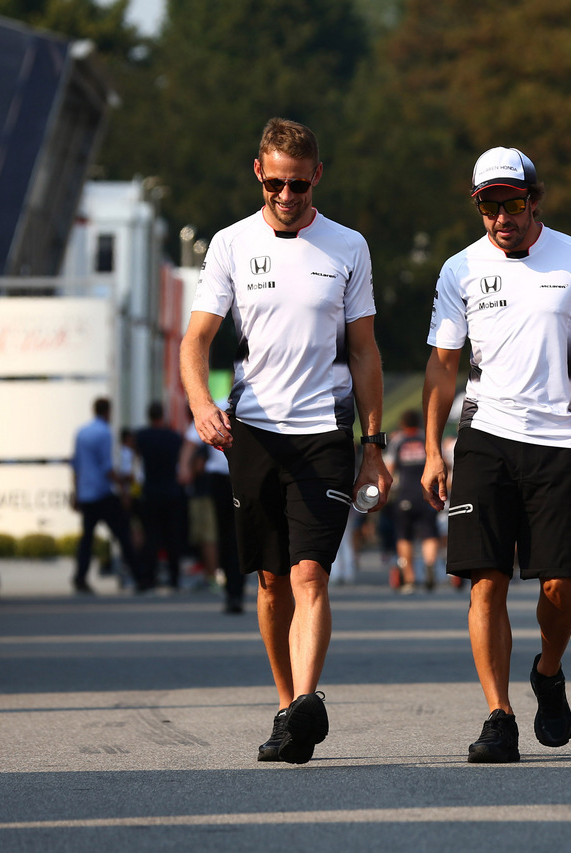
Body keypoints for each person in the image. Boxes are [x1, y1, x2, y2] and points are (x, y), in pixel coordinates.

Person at [180, 117, 391, 764]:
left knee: (309, 573)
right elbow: (195, 340)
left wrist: (374, 442)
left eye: (298, 185)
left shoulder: (348, 246)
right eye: (275, 184)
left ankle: (306, 701)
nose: (287, 196)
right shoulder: (231, 244)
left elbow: (364, 351)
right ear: (258, 174)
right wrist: (201, 404)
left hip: (324, 433)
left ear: (316, 177)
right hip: (255, 435)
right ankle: (287, 705)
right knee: (271, 581)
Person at [422, 146, 571, 764]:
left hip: (554, 438)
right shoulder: (459, 269)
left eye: (513, 202)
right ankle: (498, 714)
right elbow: (443, 365)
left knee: (561, 583)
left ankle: (548, 669)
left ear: (535, 200)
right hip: (485, 434)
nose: (502, 216)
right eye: (489, 205)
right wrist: (433, 448)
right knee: (486, 581)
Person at [71, 397, 146, 594]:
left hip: (87, 493)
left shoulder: (81, 432)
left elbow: (76, 465)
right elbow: (107, 467)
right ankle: (139, 577)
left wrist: (75, 492)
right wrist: (122, 487)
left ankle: (80, 578)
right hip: (103, 493)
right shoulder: (104, 433)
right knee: (123, 535)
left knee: (87, 539)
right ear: (107, 412)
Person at [180, 403, 244, 613]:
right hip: (224, 478)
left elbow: (190, 441)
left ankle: (234, 591)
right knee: (231, 536)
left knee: (232, 536)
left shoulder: (230, 400)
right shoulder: (222, 401)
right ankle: (234, 591)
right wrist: (183, 466)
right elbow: (192, 437)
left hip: (236, 476)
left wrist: (183, 467)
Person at [388, 409, 441, 593]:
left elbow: (389, 468)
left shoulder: (398, 441)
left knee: (404, 537)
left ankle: (409, 578)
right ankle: (429, 565)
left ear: (403, 424)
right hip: (428, 493)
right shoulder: (427, 439)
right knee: (429, 534)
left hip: (405, 495)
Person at [135, 401, 186, 589]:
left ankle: (149, 576)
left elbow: (137, 457)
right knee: (172, 536)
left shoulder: (142, 436)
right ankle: (174, 576)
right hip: (171, 490)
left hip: (151, 491)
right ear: (162, 415)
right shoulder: (173, 437)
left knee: (151, 536)